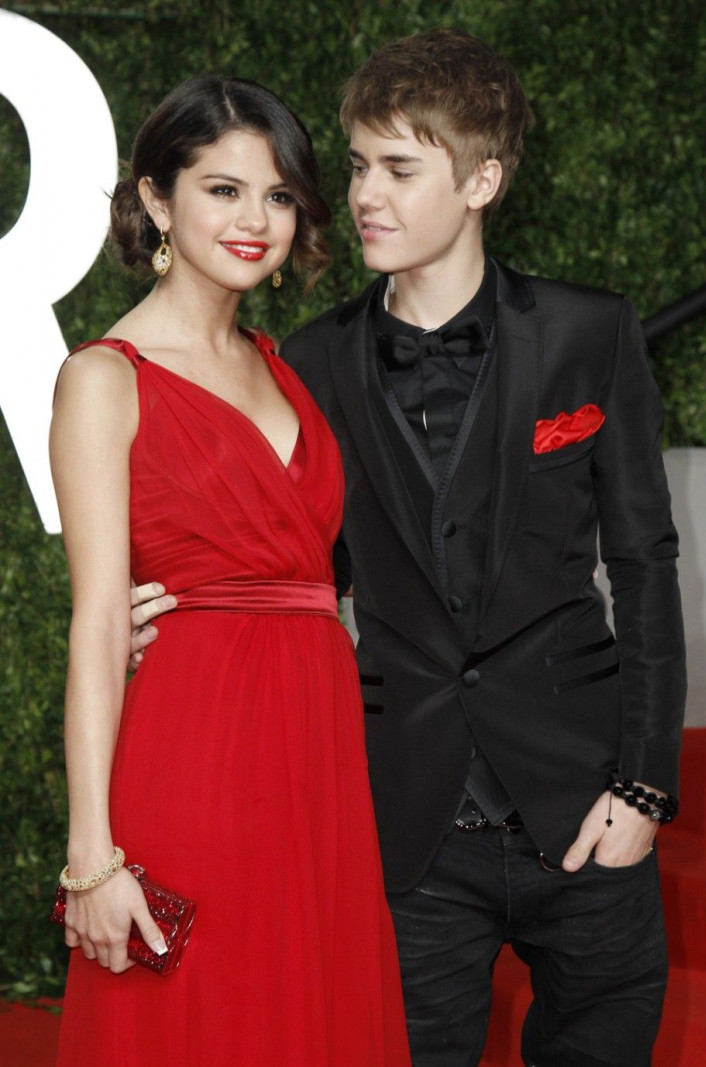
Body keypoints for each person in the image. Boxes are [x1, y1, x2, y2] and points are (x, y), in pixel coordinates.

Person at [133, 30, 687, 1067]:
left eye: (398, 168)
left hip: (587, 806)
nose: (363, 197)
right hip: (403, 821)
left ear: (481, 178)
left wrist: (644, 787)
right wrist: (167, 617)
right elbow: (295, 569)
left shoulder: (586, 332)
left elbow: (646, 566)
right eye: (353, 167)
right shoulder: (306, 361)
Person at [49, 74, 410, 1066]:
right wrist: (92, 856)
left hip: (317, 750)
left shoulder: (282, 363)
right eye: (223, 189)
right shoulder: (102, 378)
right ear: (158, 200)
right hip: (196, 749)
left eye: (280, 195)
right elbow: (96, 620)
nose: (258, 220)